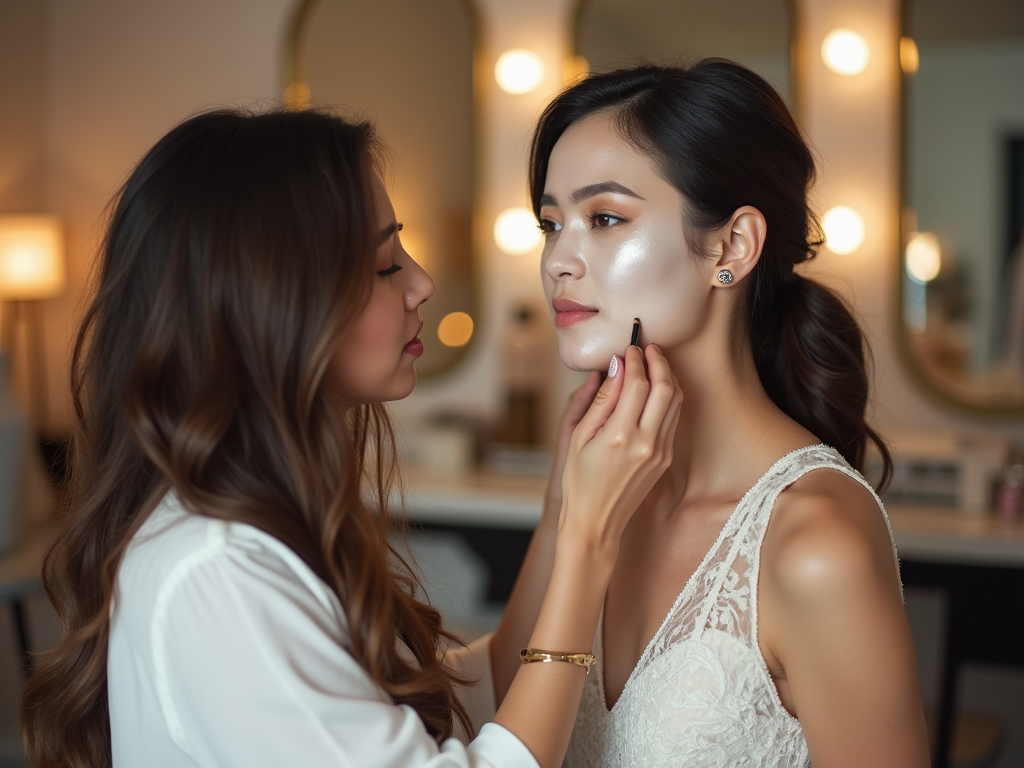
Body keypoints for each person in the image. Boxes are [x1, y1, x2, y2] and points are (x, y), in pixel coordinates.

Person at [19, 108, 682, 768]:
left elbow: (463, 708)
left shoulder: (258, 522)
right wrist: (589, 543)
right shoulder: (215, 571)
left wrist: (561, 513)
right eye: (386, 264)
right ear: (272, 302)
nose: (423, 284)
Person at [489, 61, 930, 767]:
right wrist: (561, 514)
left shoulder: (816, 541)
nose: (557, 262)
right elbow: (513, 723)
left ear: (732, 247)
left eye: (604, 218)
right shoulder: (603, 494)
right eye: (550, 223)